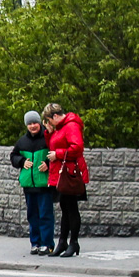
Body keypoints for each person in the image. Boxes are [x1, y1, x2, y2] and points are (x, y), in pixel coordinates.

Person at [43, 102, 88, 257]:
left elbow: (77, 147)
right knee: (65, 207)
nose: (49, 123)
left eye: (49, 120)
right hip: (61, 174)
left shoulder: (71, 126)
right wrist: (49, 133)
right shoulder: (60, 128)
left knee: (71, 208)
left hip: (69, 173)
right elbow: (52, 146)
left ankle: (73, 242)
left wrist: (59, 154)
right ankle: (63, 242)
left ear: (55, 116)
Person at [10, 110, 55, 255]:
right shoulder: (22, 141)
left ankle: (47, 244)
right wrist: (22, 161)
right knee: (32, 215)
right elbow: (13, 156)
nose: (32, 126)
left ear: (39, 123)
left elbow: (56, 153)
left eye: (35, 122)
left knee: (45, 215)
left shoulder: (47, 138)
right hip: (29, 185)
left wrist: (48, 163)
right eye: (29, 123)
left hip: (44, 184)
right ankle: (35, 243)